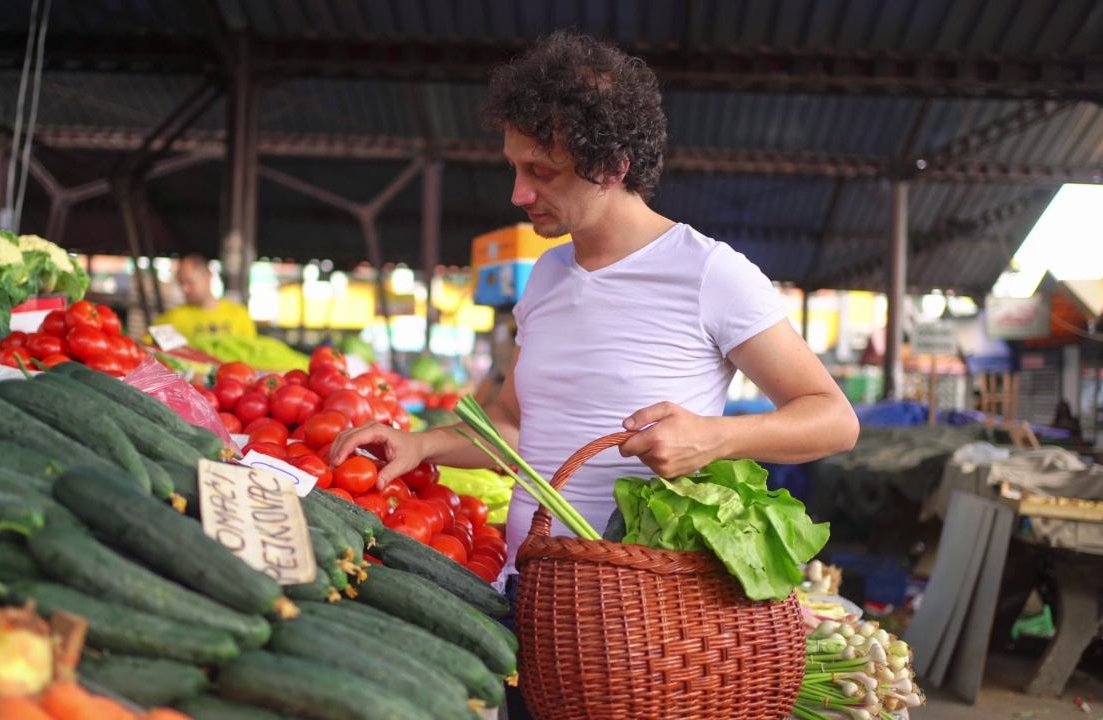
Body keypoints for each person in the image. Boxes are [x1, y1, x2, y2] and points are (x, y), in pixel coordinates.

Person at [331, 23, 858, 667]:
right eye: (515, 168)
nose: (519, 193)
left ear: (612, 167)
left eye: (541, 172)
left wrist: (715, 438)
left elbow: (833, 418)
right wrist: (420, 445)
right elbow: (512, 428)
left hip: (640, 617)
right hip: (528, 593)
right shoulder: (546, 277)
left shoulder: (710, 273)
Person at [152, 254, 256, 339]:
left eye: (190, 282)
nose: (185, 289)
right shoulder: (172, 319)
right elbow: (147, 346)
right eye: (181, 283)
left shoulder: (239, 315)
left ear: (208, 277)